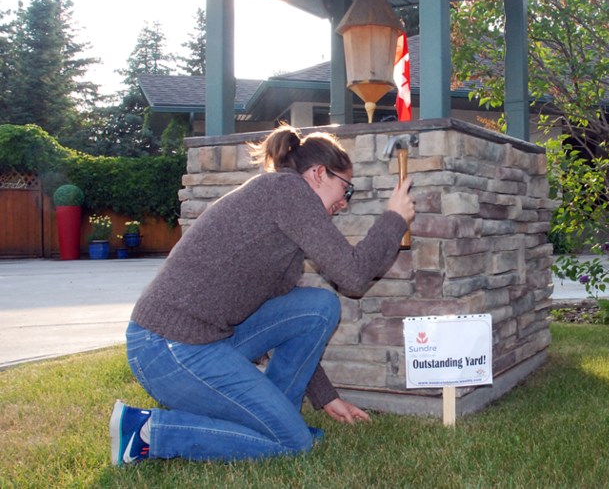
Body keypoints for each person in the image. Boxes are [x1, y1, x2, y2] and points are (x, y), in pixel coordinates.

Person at [109, 125, 415, 464]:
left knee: (318, 307)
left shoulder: (286, 224)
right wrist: (394, 219)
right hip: (165, 348)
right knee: (294, 444)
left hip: (205, 341)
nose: (344, 203)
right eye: (346, 189)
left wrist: (325, 396)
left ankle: (275, 418)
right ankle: (148, 432)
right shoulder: (287, 190)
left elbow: (291, 323)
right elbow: (354, 276)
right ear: (317, 174)